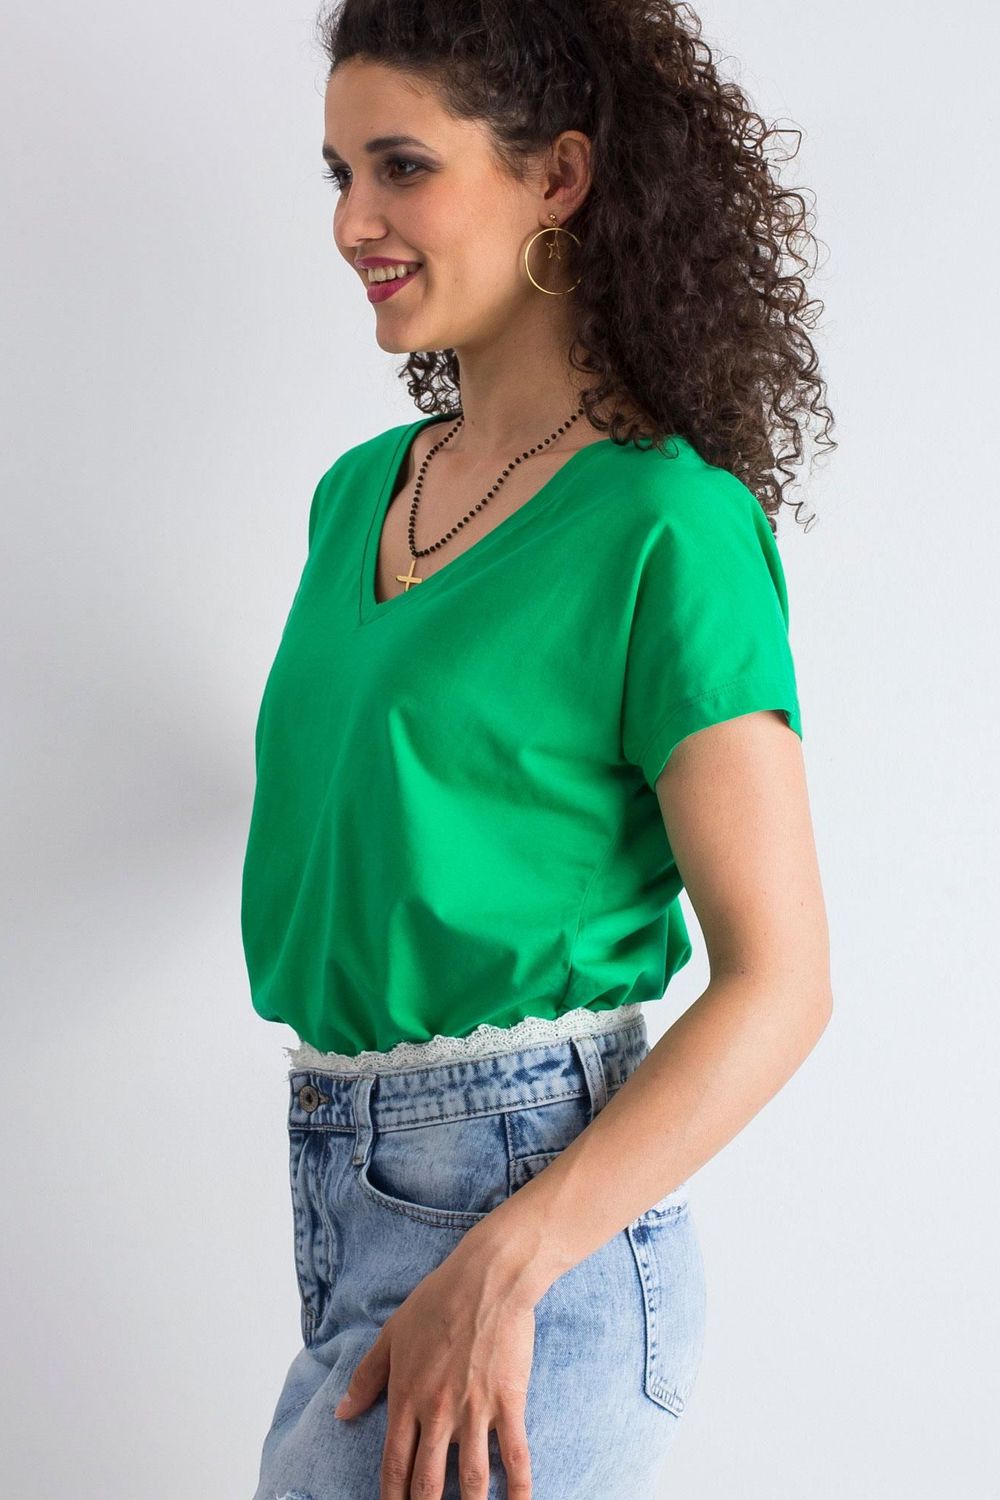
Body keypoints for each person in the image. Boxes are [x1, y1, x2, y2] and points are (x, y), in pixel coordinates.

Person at [241, 1, 836, 1495]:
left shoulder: (667, 523)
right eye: (339, 175)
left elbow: (782, 982)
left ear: (557, 178)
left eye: (402, 168)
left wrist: (509, 1263)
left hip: (534, 1227)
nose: (353, 222)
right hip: (343, 1206)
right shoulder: (357, 494)